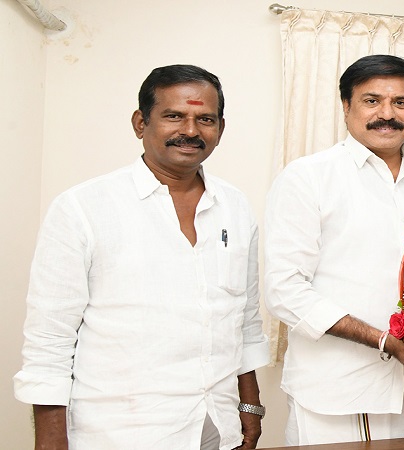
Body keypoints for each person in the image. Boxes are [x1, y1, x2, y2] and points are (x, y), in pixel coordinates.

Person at [13, 64, 269, 450]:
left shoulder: (235, 207)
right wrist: (50, 441)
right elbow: (49, 339)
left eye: (205, 119)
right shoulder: (82, 208)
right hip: (120, 431)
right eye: (173, 116)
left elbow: (244, 319)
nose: (191, 130)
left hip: (215, 425)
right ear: (140, 123)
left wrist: (249, 404)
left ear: (220, 128)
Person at [263, 54, 404, 445]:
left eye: (401, 102)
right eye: (372, 100)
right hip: (334, 393)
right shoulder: (308, 177)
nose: (387, 114)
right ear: (346, 106)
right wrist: (382, 340)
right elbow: (284, 290)